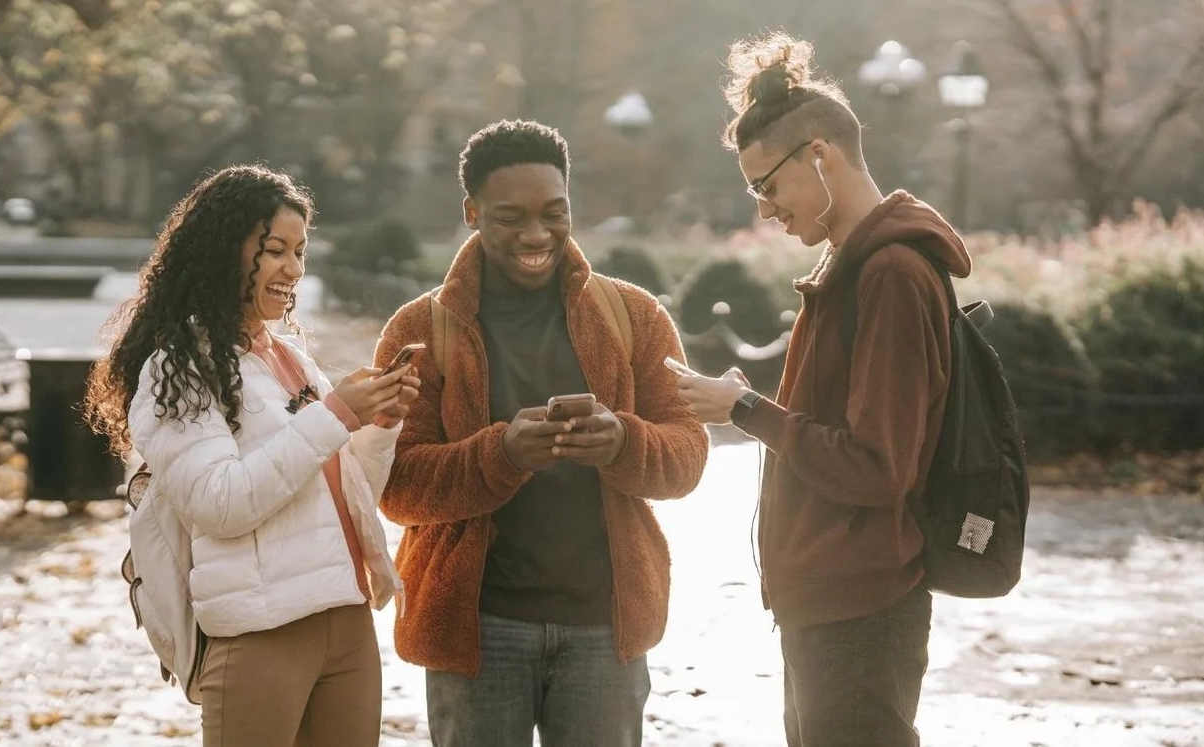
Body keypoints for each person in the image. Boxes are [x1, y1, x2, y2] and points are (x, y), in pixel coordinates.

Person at [674, 33, 974, 746]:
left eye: (767, 186)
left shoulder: (889, 273)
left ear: (819, 155)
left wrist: (744, 408)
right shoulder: (853, 264)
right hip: (831, 600)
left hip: (861, 603)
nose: (765, 210)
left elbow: (876, 467)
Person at [374, 119, 709, 747]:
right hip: (477, 629)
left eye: (555, 213)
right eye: (511, 218)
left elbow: (687, 456)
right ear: (472, 213)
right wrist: (499, 455)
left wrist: (623, 442)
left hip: (605, 627)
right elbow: (395, 486)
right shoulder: (420, 330)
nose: (537, 234)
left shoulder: (633, 315)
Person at [83, 164, 419, 746]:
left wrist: (378, 426)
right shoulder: (179, 368)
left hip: (346, 619)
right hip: (262, 633)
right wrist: (336, 414)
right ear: (224, 253)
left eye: (300, 251)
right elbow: (221, 505)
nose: (294, 268)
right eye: (275, 250)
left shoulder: (290, 359)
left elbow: (346, 494)